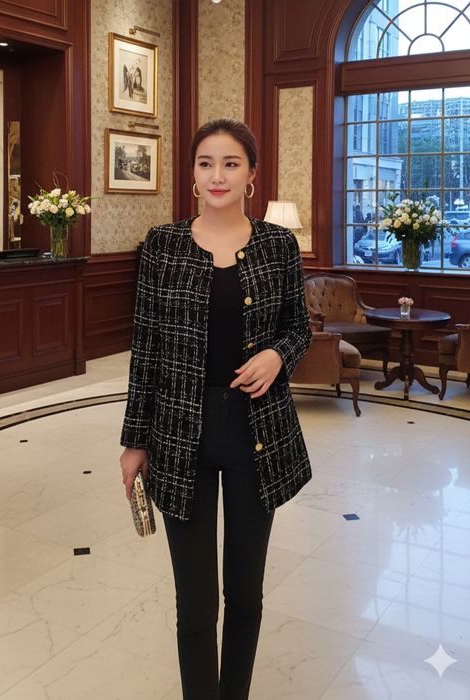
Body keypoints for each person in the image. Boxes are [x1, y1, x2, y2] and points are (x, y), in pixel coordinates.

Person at [119, 118, 313, 700]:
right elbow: (146, 347)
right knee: (196, 599)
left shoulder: (278, 245)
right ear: (192, 174)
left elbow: (298, 327)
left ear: (252, 174)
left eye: (231, 163)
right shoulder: (163, 245)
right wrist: (134, 440)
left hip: (258, 433)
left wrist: (278, 355)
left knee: (245, 594)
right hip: (180, 433)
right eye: (206, 163)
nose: (217, 175)